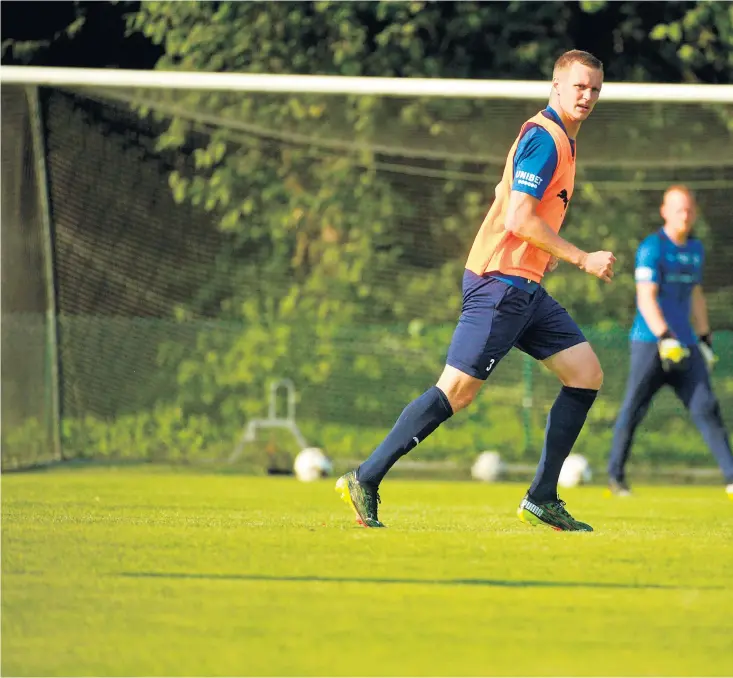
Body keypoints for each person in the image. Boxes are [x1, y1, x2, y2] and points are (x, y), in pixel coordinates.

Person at [336, 49, 615, 531]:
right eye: (579, 86)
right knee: (457, 392)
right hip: (500, 282)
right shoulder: (546, 139)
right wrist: (583, 258)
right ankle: (366, 477)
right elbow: (518, 217)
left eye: (594, 88)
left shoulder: (560, 141)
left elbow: (506, 197)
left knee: (585, 373)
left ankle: (543, 497)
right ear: (556, 87)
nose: (587, 95)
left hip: (525, 286)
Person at [607, 185, 733, 499]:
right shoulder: (652, 247)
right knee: (633, 409)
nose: (685, 215)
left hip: (687, 345)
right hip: (650, 343)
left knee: (707, 407)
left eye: (689, 209)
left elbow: (695, 295)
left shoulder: (696, 249)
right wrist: (664, 337)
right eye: (679, 209)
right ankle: (616, 477)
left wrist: (704, 338)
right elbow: (645, 297)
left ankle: (731, 477)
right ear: (665, 211)